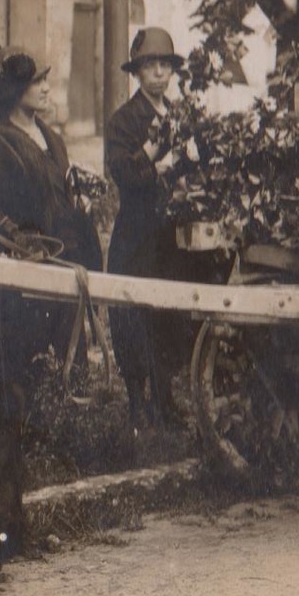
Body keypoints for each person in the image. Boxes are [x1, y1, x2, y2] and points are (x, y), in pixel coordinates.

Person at [104, 29, 197, 427]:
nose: (159, 74)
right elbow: (124, 175)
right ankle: (137, 401)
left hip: (172, 234)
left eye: (165, 66)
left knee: (170, 317)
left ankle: (165, 398)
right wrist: (157, 161)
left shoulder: (180, 114)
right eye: (150, 66)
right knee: (133, 316)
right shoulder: (125, 120)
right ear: (138, 73)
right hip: (138, 233)